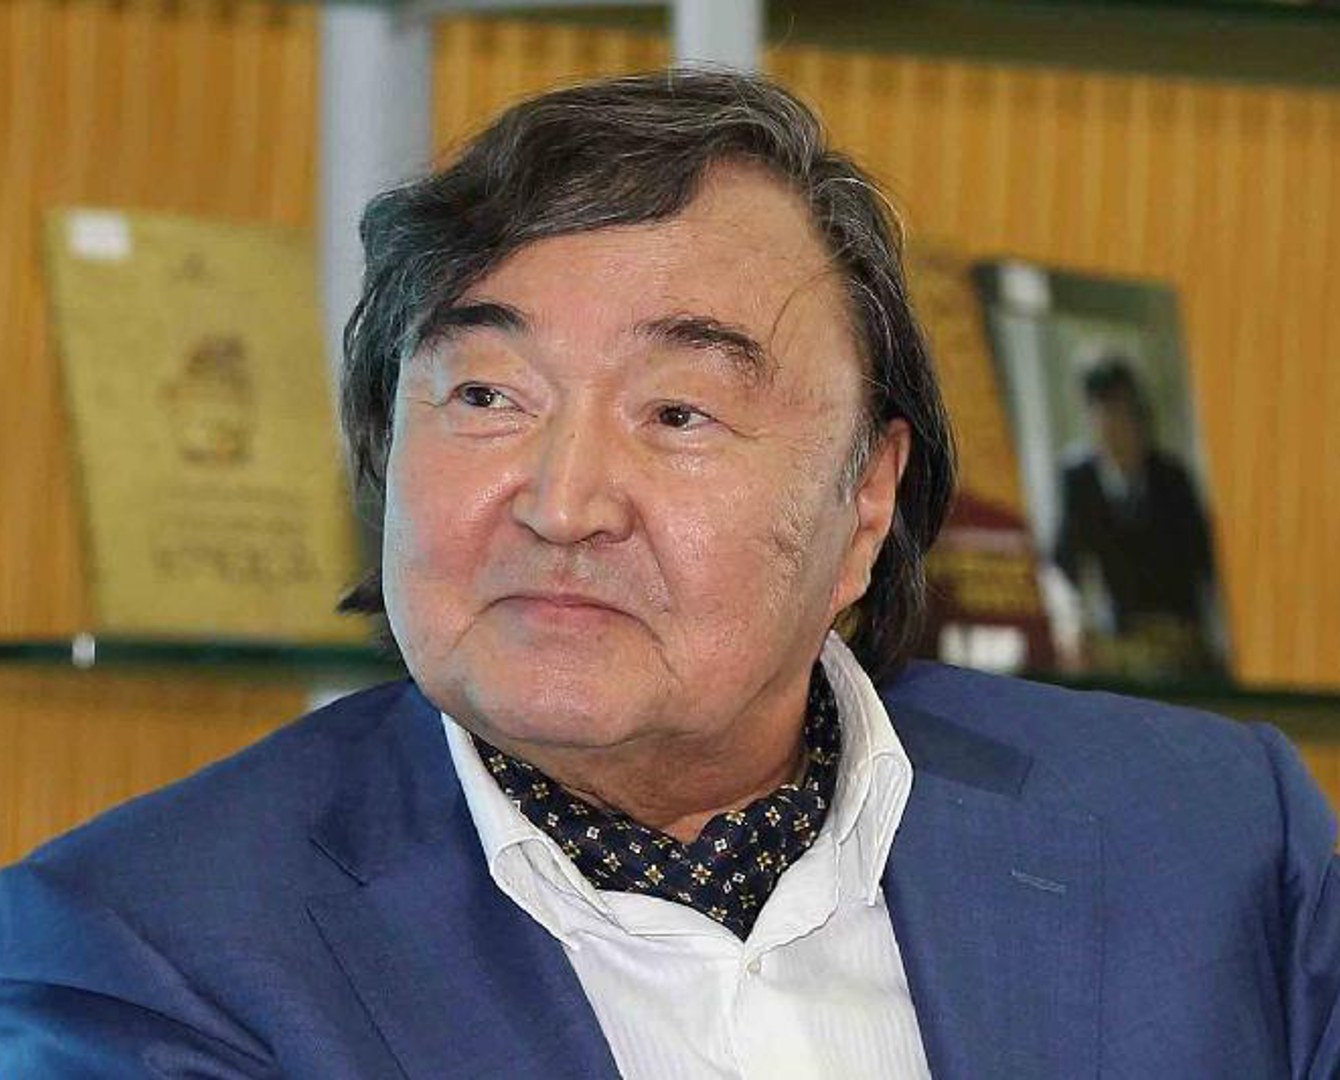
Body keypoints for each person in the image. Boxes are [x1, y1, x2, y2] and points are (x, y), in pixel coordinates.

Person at [1, 70, 1336, 1080]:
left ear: (865, 498)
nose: (563, 504)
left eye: (679, 413)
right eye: (486, 395)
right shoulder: (150, 946)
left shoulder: (1211, 839)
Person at [1053, 358, 1222, 674]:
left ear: (1140, 418)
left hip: (1176, 638)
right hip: (1118, 637)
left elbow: (1203, 563)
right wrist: (1073, 623)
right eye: (1102, 414)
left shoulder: (1173, 479)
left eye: (1121, 412)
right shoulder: (1079, 481)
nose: (1112, 426)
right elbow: (1064, 562)